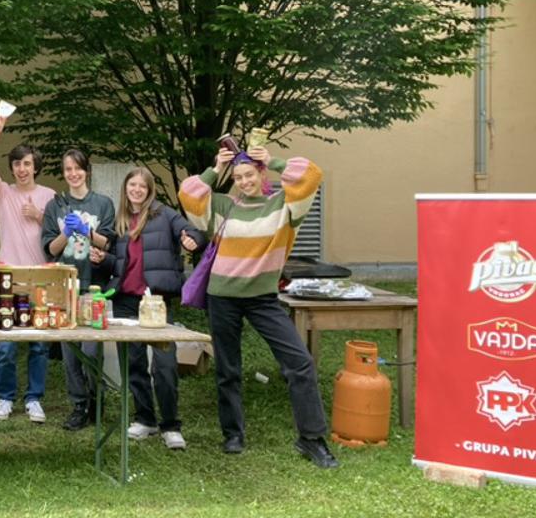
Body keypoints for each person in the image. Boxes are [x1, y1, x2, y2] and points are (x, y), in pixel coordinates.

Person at [179, 145, 338, 468]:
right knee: (228, 369)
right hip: (222, 296)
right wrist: (215, 167)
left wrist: (272, 160)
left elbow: (311, 175)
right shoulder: (222, 206)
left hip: (263, 298)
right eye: (238, 177)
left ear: (261, 174)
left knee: (300, 362)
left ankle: (311, 439)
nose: (244, 181)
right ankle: (233, 434)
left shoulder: (284, 206)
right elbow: (189, 194)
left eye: (249, 174)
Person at [101, 167, 204, 450]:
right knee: (134, 363)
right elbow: (119, 264)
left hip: (154, 302)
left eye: (141, 186)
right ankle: (145, 419)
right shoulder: (121, 221)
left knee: (165, 365)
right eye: (131, 185)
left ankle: (170, 425)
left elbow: (192, 231)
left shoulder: (164, 214)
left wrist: (191, 239)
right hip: (125, 300)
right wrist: (104, 258)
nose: (136, 190)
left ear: (149, 190)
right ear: (126, 189)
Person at [0, 115, 56, 423]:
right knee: (5, 345)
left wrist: (39, 215)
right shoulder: (4, 193)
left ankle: (34, 399)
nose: (21, 169)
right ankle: (6, 398)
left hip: (41, 276)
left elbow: (57, 236)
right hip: (6, 275)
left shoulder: (50, 196)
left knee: (39, 344)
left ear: (35, 166)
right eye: (17, 164)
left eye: (27, 164)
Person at [41, 149, 116, 431]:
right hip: (65, 286)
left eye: (78, 168)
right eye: (68, 169)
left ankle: (97, 399)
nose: (73, 174)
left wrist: (87, 231)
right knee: (70, 349)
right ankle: (78, 404)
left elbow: (108, 244)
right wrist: (66, 232)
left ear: (87, 171)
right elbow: (50, 249)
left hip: (93, 286)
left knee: (91, 348)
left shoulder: (103, 204)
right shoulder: (55, 206)